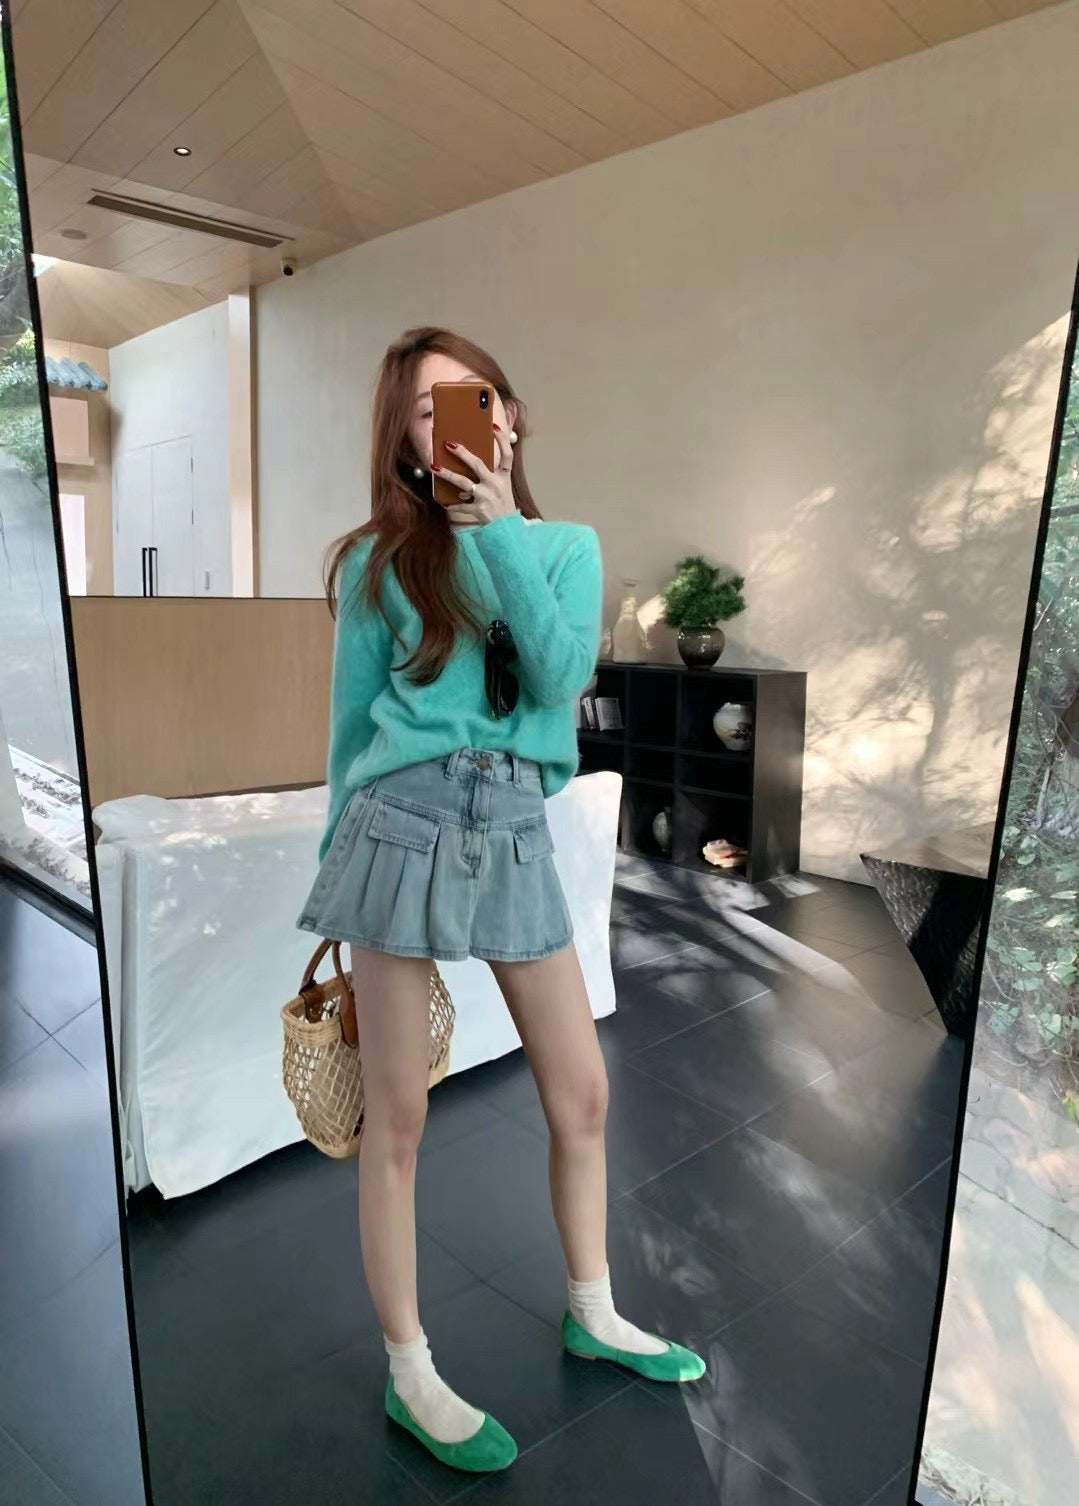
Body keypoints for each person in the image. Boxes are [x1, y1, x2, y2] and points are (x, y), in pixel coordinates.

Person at [297, 326, 704, 1474]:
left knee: (582, 1092)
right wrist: (338, 878)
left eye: (470, 399)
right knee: (397, 1119)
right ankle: (409, 1372)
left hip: (513, 824)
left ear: (509, 417)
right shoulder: (376, 563)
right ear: (405, 443)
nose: (454, 424)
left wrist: (494, 533)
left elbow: (562, 674)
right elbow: (349, 735)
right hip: (397, 824)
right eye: (426, 411)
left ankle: (593, 1310)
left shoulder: (562, 547)